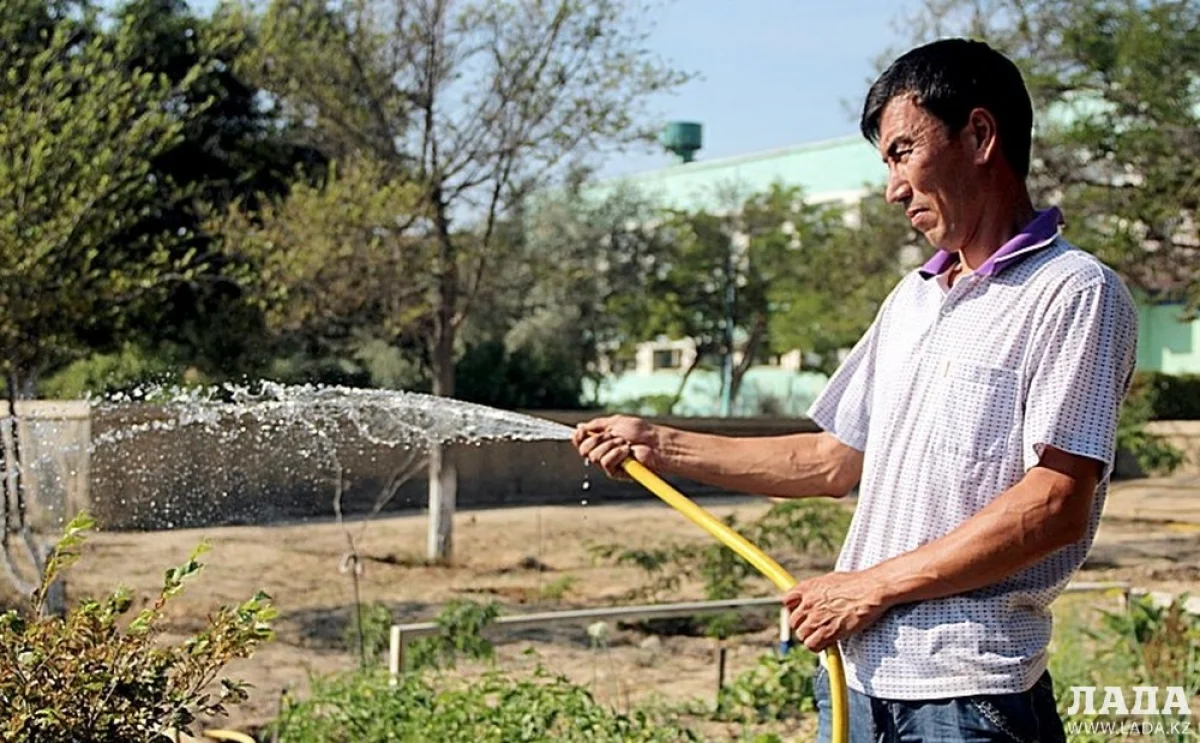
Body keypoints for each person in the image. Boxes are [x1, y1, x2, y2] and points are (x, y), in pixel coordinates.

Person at [573, 38, 1138, 742]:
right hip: (856, 684)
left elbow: (1055, 502)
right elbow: (834, 459)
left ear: (980, 135)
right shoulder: (915, 297)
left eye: (903, 152)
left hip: (965, 696)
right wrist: (658, 441)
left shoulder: (1072, 291)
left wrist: (870, 585)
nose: (892, 187)